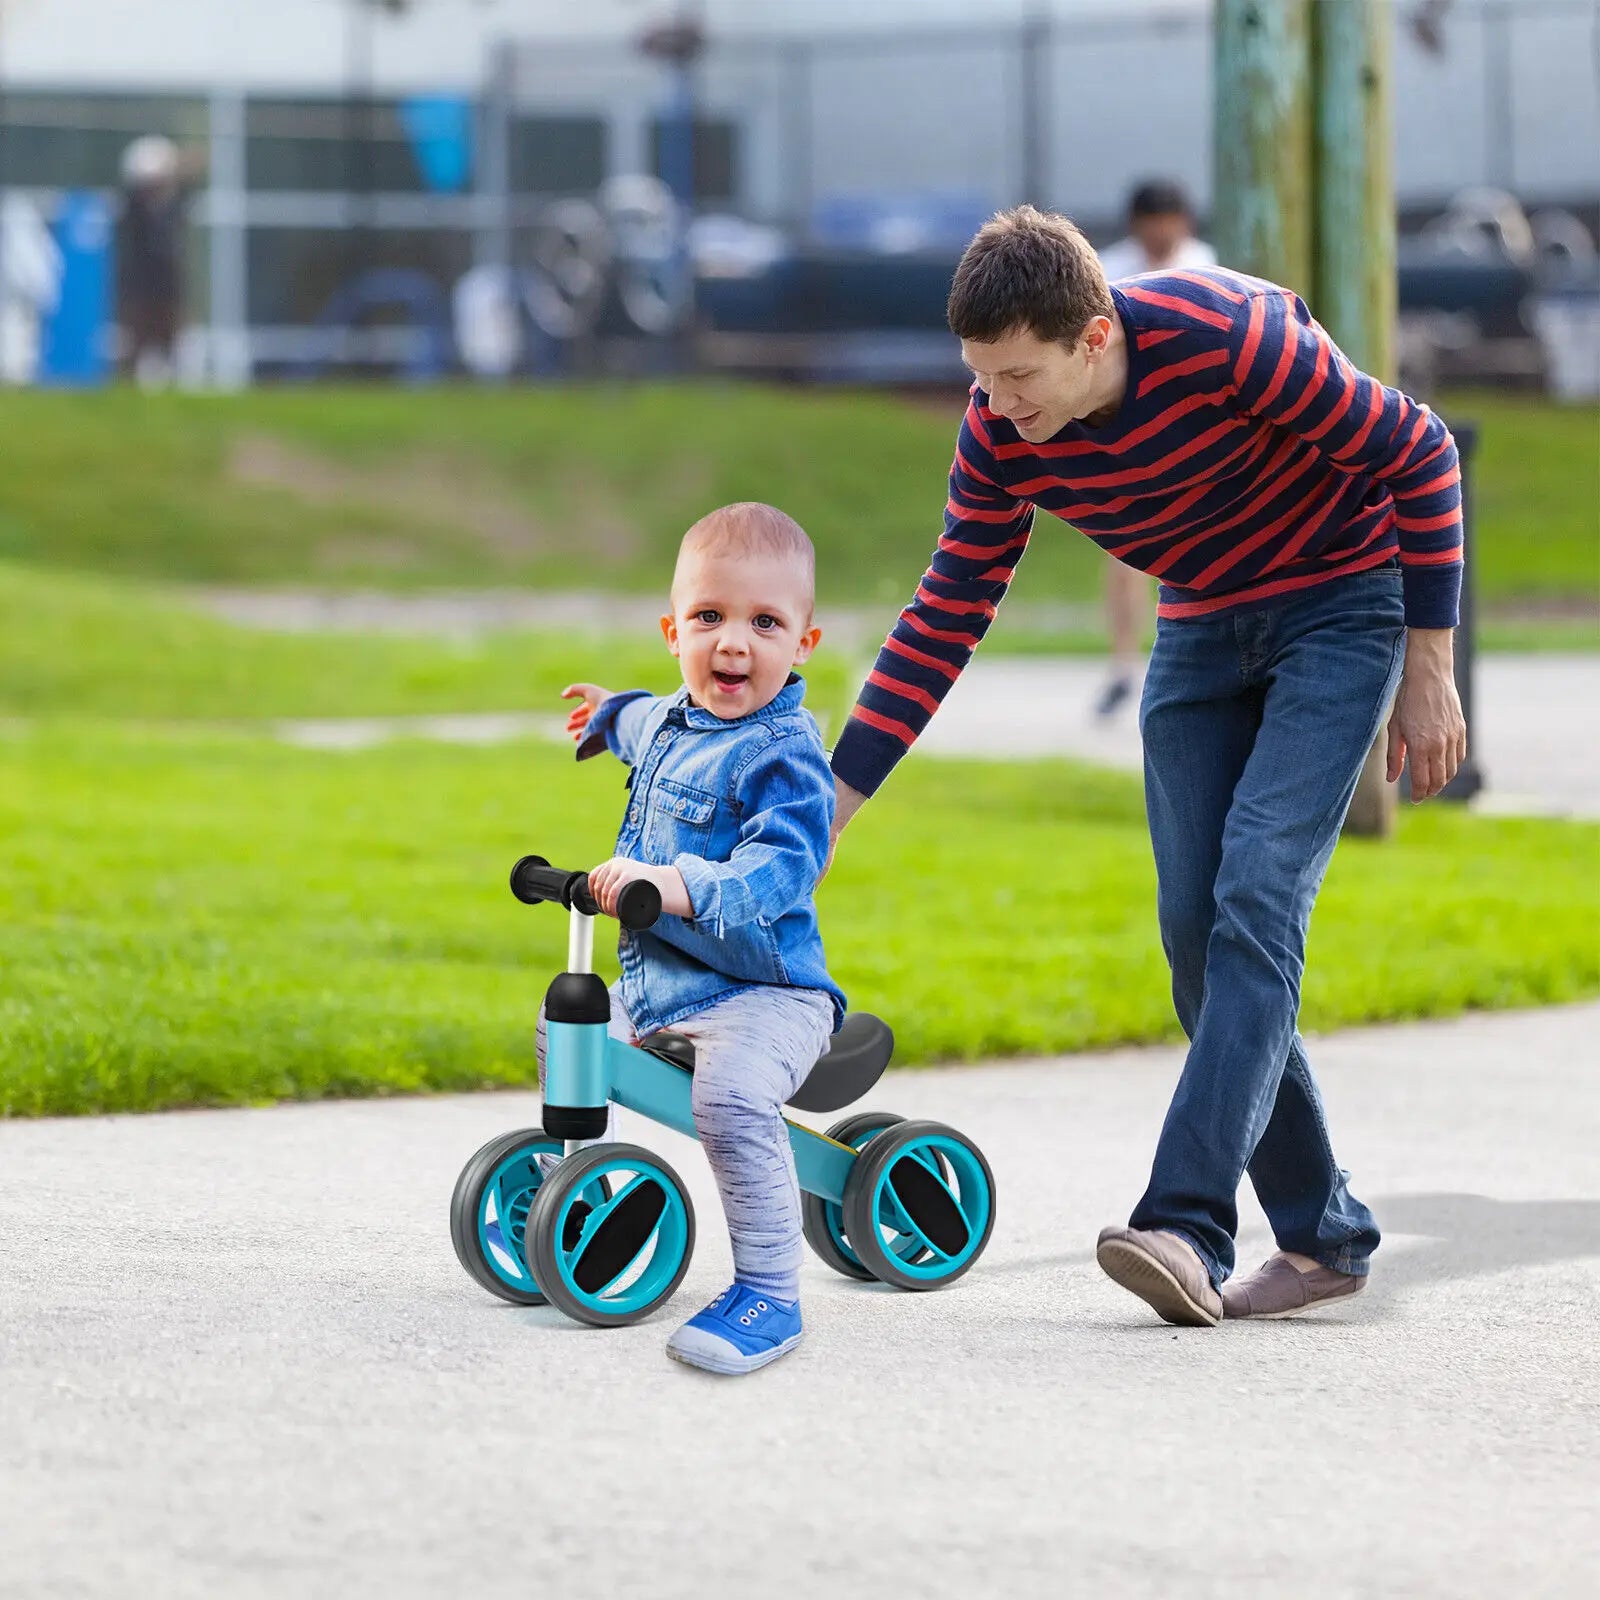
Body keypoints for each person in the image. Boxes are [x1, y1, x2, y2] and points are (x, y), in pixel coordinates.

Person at [825, 206, 1466, 1327]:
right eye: (982, 378)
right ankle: (1324, 1236)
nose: (999, 404)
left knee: (1257, 893)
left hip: (1340, 605)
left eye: (1018, 376)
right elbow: (944, 613)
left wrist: (1429, 663)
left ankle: (1185, 1221)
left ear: (1093, 337)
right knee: (1192, 934)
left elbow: (1417, 447)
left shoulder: (1231, 340)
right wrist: (833, 799)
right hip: (1202, 624)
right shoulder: (996, 431)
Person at [558, 502, 845, 1374]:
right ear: (672, 629)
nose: (733, 643)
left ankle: (769, 1290)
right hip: (672, 994)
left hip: (771, 999)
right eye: (710, 618)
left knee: (727, 1102)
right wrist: (610, 716)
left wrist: (673, 886)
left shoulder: (785, 756)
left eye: (765, 623)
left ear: (804, 644)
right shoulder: (676, 718)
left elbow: (782, 871)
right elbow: (647, 722)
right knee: (563, 1030)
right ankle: (566, 1200)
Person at [1094, 180, 1219, 717]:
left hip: (1190, 425)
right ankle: (1125, 664)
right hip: (1126, 431)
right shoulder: (1107, 270)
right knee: (1126, 555)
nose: (1163, 232)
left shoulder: (1204, 265)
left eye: (1171, 220)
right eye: (1155, 221)